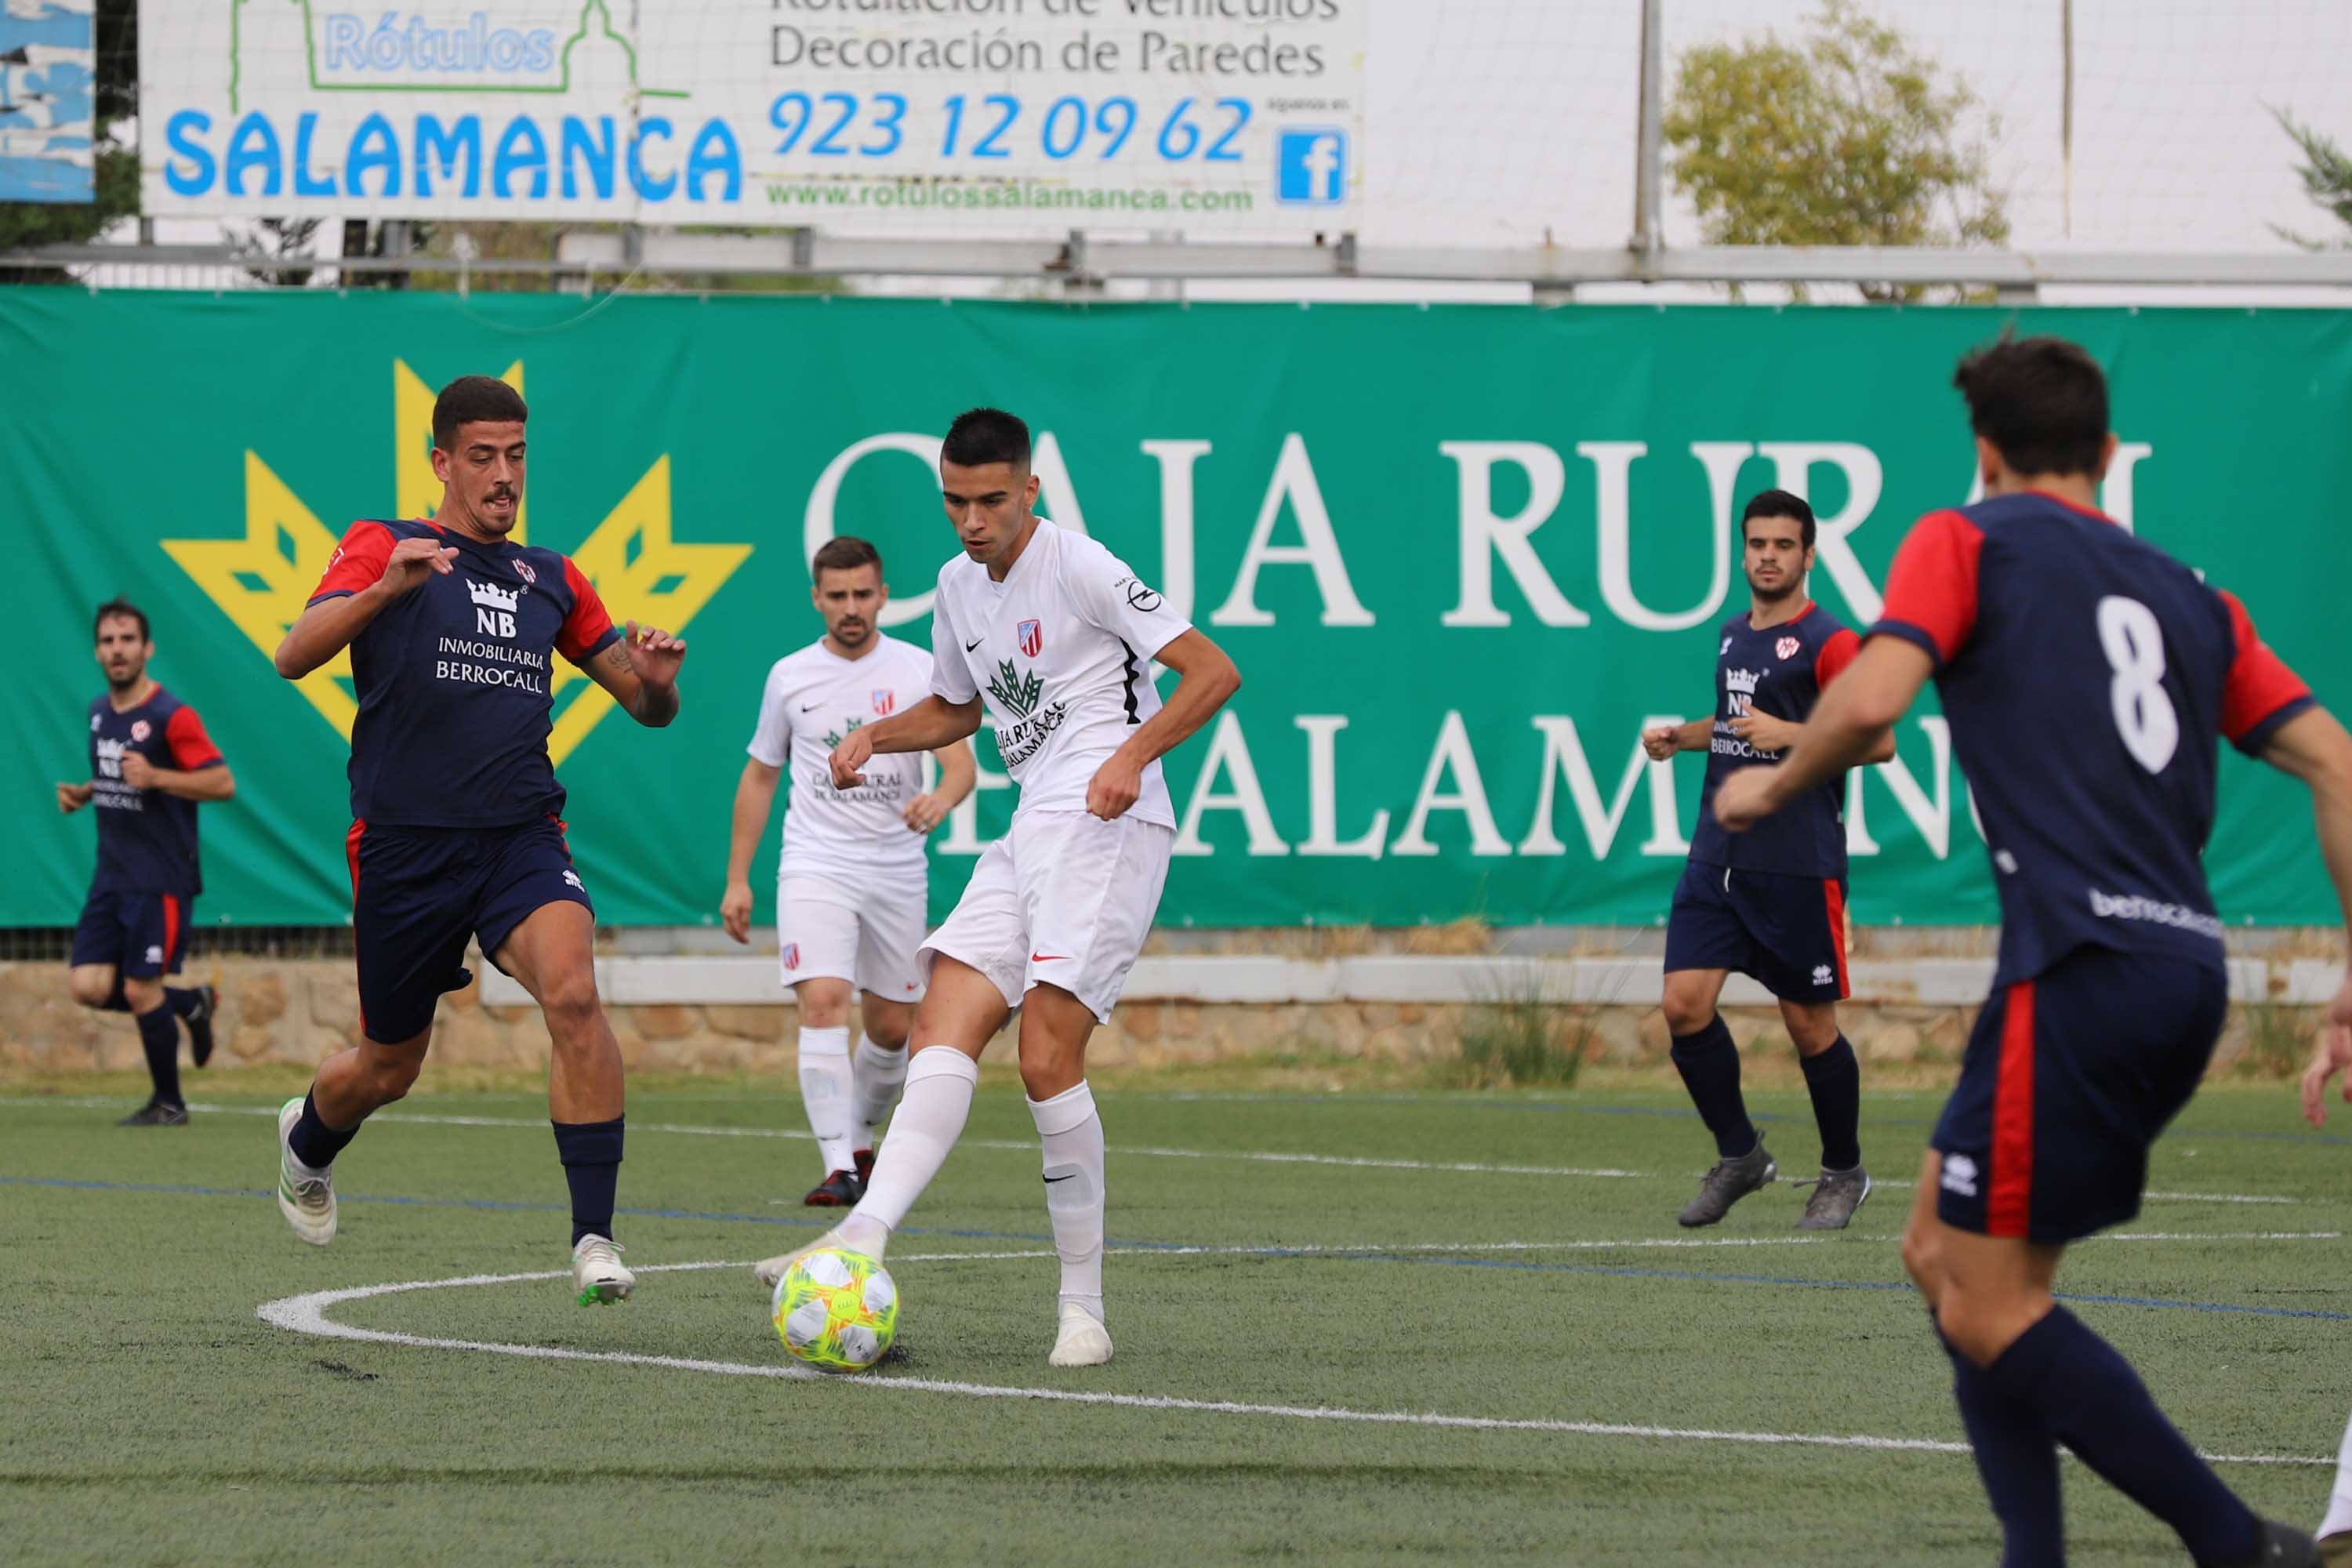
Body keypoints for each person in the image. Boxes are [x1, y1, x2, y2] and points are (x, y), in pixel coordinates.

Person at [1714, 333, 2341, 1568]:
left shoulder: (1965, 538)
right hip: (2174, 972)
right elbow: (2338, 762)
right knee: (1943, 1259)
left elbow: (1878, 694)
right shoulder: (2192, 595)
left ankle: (2236, 1546)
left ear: (1984, 454)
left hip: (2082, 969)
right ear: (2107, 456)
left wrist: (1768, 784)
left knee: (1988, 1298)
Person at [751, 406, 1241, 1368]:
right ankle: (861, 1236)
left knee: (1047, 1058)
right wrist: (875, 734)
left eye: (990, 500)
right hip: (1032, 826)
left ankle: (1083, 1311)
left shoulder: (1082, 564)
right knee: (943, 1021)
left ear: (1031, 490)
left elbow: (1213, 671)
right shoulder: (951, 586)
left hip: (1107, 824)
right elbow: (957, 708)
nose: (971, 520)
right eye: (954, 501)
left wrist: (1133, 756)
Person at [267, 375, 688, 1308]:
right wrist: (384, 589)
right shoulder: (387, 545)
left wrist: (656, 678)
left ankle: (593, 1238)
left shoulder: (555, 577)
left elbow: (647, 707)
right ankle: (307, 1141)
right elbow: (293, 650)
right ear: (442, 461)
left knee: (574, 992)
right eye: (485, 457)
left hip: (519, 837)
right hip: (406, 849)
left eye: (518, 455)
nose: (505, 476)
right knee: (389, 1066)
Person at [1640, 490, 1891, 1229]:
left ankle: (1843, 1173)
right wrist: (1680, 738)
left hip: (1796, 863)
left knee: (1808, 1028)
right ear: (1743, 551)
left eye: (1784, 545)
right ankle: (1741, 1156)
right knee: (1684, 1008)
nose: (1769, 557)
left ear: (1808, 555)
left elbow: (1879, 740)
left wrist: (1795, 736)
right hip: (1718, 857)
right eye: (1758, 544)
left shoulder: (1832, 641)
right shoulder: (1729, 635)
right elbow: (1736, 724)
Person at [720, 535, 976, 1207]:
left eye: (863, 594)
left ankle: (859, 1134)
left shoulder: (923, 670)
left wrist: (940, 800)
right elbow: (759, 775)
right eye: (837, 596)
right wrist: (738, 879)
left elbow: (961, 767)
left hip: (896, 867)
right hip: (816, 863)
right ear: (817, 599)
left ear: (884, 594)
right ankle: (839, 1165)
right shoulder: (790, 676)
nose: (851, 607)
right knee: (824, 1002)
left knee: (893, 1027)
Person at [57, 598, 232, 1125]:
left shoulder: (171, 716)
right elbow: (119, 776)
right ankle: (189, 1005)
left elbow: (221, 783)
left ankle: (169, 1103)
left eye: (128, 639)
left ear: (147, 648)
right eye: (109, 641)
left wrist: (158, 777)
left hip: (160, 877)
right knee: (87, 986)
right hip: (111, 874)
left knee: (138, 988)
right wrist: (88, 791)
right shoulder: (98, 712)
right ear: (97, 650)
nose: (118, 650)